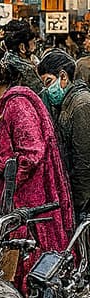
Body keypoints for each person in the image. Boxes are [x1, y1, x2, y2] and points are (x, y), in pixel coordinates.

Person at [0, 59, 73, 292]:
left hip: (30, 202)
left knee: (29, 260)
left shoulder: (17, 107)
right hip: (13, 200)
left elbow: (31, 155)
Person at [37, 50, 90, 215]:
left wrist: (80, 202)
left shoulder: (81, 104)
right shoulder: (65, 103)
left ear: (63, 76)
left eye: (48, 82)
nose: (47, 90)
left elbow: (83, 160)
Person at [0, 19, 44, 95]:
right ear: (22, 47)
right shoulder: (25, 71)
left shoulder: (6, 61)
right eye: (33, 43)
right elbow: (42, 94)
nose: (35, 47)